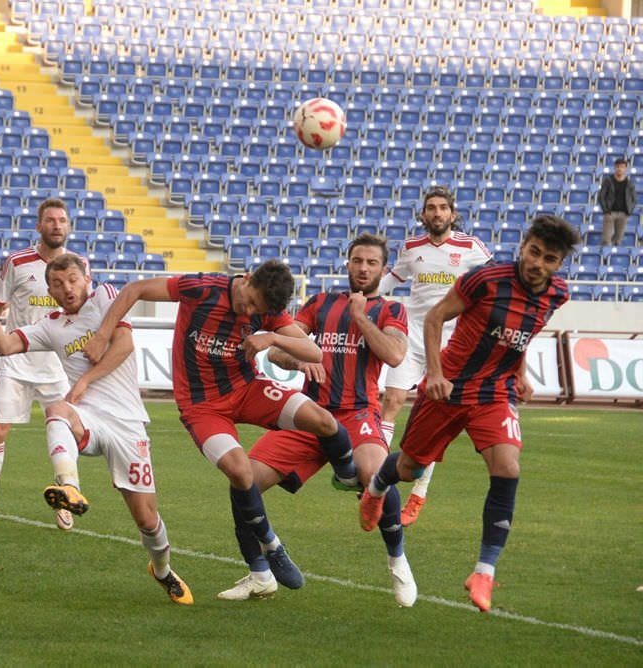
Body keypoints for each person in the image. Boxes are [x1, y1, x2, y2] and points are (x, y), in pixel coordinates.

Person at [82, 259, 359, 601]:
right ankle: (271, 544)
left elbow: (314, 352)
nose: (250, 311)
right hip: (202, 406)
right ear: (246, 279)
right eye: (251, 301)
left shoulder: (267, 313)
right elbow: (135, 289)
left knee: (323, 421)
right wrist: (102, 334)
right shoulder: (202, 289)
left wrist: (271, 336)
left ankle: (348, 475)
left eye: (259, 310)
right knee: (241, 472)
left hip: (246, 390)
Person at [359, 215, 580, 613]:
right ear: (523, 246)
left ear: (559, 264)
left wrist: (520, 373)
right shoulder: (487, 279)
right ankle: (377, 487)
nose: (537, 264)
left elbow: (520, 335)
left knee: (508, 467)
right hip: (449, 388)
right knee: (409, 467)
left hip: (494, 392)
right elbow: (435, 317)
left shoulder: (557, 294)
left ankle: (483, 570)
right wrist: (437, 373)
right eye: (533, 252)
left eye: (549, 258)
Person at [0, 255, 193, 605]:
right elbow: (4, 346)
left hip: (127, 423)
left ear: (86, 278)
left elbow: (124, 345)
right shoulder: (51, 325)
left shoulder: (106, 297)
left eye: (72, 280)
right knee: (56, 410)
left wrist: (85, 380)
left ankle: (162, 570)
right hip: (87, 418)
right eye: (57, 284)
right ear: (50, 290)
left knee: (147, 520)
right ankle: (68, 489)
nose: (66, 288)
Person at [247, 234, 418, 607]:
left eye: (372, 263)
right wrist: (300, 359)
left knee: (377, 478)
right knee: (245, 481)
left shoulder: (391, 310)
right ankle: (261, 567)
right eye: (357, 260)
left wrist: (359, 316)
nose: (363, 268)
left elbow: (393, 355)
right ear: (347, 263)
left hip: (358, 414)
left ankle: (397, 559)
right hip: (310, 415)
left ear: (383, 269)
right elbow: (277, 351)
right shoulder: (320, 304)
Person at [378, 186, 493, 526]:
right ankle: (375, 474)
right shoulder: (412, 247)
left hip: (453, 342)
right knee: (393, 401)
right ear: (423, 214)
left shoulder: (471, 247)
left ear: (453, 214)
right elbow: (391, 280)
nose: (438, 213)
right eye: (432, 208)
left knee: (435, 420)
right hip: (414, 334)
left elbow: (492, 284)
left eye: (443, 207)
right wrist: (362, 292)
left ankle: (418, 495)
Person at [0, 197, 80, 532]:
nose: (57, 225)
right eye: (51, 220)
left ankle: (67, 494)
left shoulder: (78, 264)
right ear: (39, 226)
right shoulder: (17, 262)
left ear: (68, 226)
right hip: (16, 360)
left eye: (62, 220)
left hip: (58, 365)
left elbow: (83, 312)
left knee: (64, 431)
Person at [598, 157, 637, 247]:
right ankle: (604, 259)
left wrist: (629, 210)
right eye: (618, 166)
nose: (620, 169)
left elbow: (634, 199)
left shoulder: (629, 183)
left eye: (622, 167)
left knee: (618, 240)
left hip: (623, 214)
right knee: (606, 240)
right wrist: (606, 210)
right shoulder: (608, 180)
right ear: (615, 168)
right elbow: (601, 196)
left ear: (625, 168)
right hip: (610, 213)